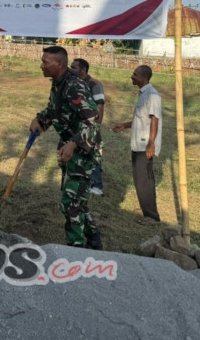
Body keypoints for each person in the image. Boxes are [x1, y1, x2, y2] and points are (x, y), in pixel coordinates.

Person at [30, 46, 103, 249]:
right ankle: (95, 239)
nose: (41, 65)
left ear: (59, 64)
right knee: (77, 199)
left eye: (46, 62)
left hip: (84, 149)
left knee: (70, 203)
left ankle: (76, 250)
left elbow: (93, 119)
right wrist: (40, 120)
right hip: (69, 148)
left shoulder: (75, 86)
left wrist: (73, 143)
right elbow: (55, 110)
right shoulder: (58, 83)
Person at [112, 65, 162, 225]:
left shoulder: (152, 96)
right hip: (138, 144)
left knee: (144, 180)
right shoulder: (143, 94)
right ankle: (147, 209)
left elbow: (155, 119)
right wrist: (125, 125)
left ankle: (152, 217)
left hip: (145, 145)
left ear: (144, 78)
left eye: (135, 74)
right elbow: (142, 119)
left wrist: (151, 143)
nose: (132, 77)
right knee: (140, 179)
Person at [71, 58, 106, 196]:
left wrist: (96, 126)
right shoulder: (75, 83)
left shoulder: (95, 84)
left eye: (74, 67)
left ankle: (97, 185)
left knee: (94, 153)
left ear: (83, 70)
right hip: (78, 126)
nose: (71, 69)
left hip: (91, 126)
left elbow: (100, 105)